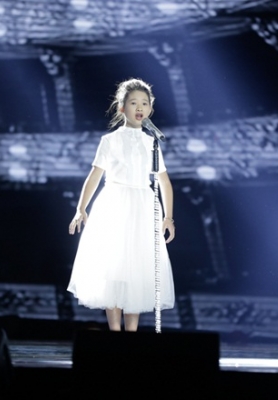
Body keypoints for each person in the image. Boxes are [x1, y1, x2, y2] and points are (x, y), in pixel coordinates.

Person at [67, 78, 175, 332]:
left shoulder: (151, 142)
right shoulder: (110, 140)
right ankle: (114, 332)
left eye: (144, 103)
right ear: (121, 107)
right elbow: (94, 175)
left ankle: (131, 334)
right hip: (114, 204)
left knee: (135, 272)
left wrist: (168, 217)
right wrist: (81, 209)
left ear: (150, 109)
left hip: (143, 206)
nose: (140, 108)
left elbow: (164, 182)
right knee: (114, 268)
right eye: (133, 103)